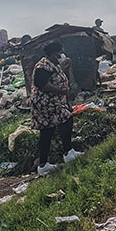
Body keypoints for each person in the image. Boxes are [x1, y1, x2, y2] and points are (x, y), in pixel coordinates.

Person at [31, 41, 82, 176]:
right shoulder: (43, 65)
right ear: (53, 53)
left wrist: (66, 68)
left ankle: (44, 165)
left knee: (48, 130)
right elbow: (42, 85)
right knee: (65, 119)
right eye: (59, 52)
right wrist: (62, 91)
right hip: (46, 104)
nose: (61, 54)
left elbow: (60, 77)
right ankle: (67, 153)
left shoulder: (53, 64)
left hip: (53, 102)